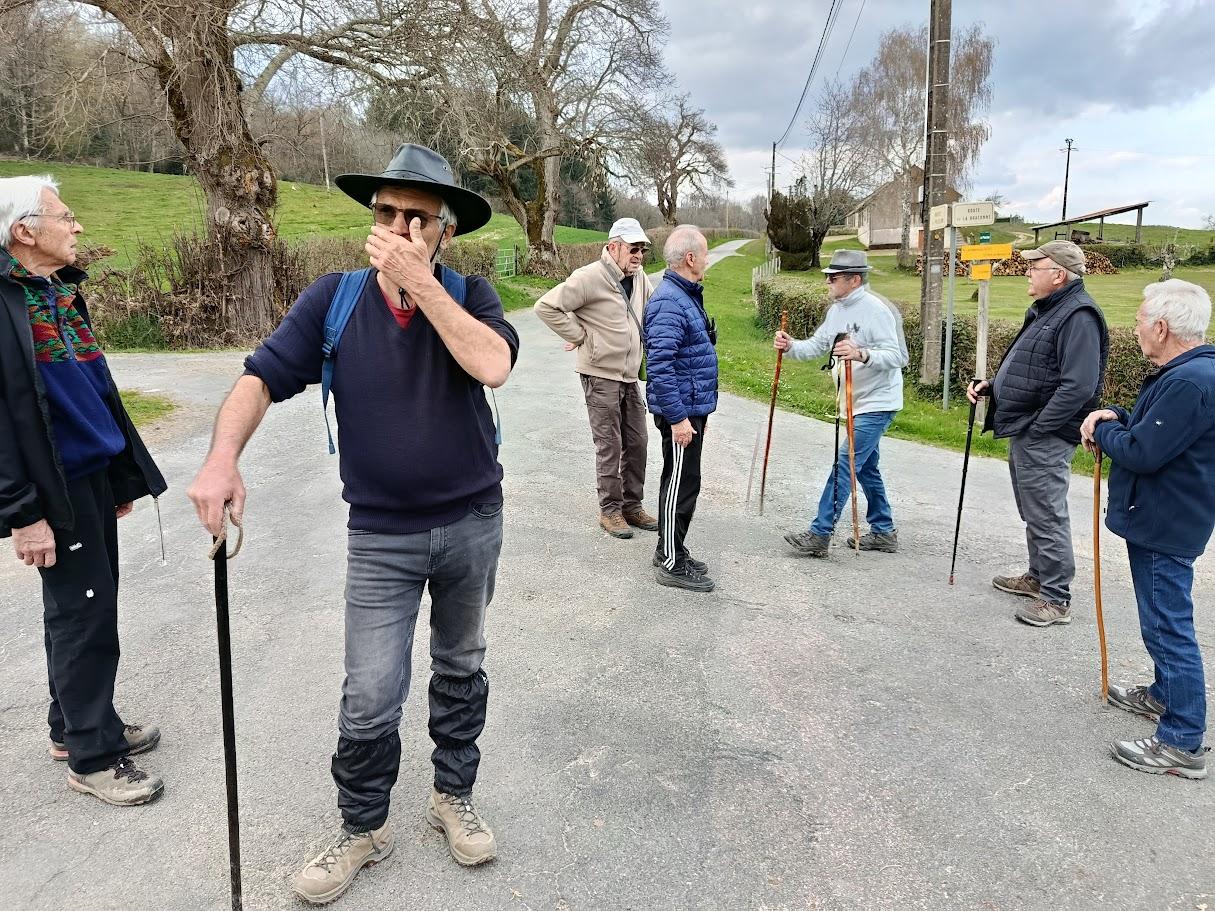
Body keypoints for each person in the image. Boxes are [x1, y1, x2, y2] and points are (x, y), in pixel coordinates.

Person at [187, 144, 519, 904]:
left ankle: (450, 796)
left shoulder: (472, 294)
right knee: (369, 691)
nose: (398, 227)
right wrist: (220, 458)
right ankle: (362, 825)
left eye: (417, 217)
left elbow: (491, 365)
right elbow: (260, 376)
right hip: (380, 535)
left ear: (444, 232)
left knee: (461, 663)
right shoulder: (332, 300)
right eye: (386, 213)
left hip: (472, 519)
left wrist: (423, 286)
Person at [0, 175, 167, 806]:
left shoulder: (56, 292)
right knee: (84, 615)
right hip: (54, 490)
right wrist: (23, 516)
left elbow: (94, 395)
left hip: (90, 478)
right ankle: (93, 756)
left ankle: (72, 726)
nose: (78, 227)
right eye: (65, 217)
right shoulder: (3, 305)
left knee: (84, 607)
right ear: (25, 232)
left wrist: (119, 475)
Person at [1080, 279, 1214, 780]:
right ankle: (1163, 695)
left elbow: (1144, 451)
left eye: (1139, 320)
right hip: (1169, 516)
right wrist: (1118, 415)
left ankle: (1182, 741)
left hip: (1167, 522)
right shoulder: (1193, 372)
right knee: (1161, 618)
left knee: (1167, 625)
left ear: (1161, 327)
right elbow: (1156, 428)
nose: (1135, 328)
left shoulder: (1189, 380)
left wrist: (1102, 429)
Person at [966, 240, 1108, 627]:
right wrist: (993, 385)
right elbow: (1036, 368)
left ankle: (1056, 596)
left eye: (1035, 266)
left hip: (1044, 431)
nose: (1028, 272)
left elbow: (1079, 385)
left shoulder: (1077, 315)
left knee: (1046, 512)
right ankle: (1038, 577)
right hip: (1031, 427)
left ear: (1058, 275)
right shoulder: (1050, 310)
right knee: (1034, 509)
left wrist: (1041, 426)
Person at [775, 250, 908, 558]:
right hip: (853, 401)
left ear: (854, 280)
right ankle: (884, 531)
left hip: (878, 402)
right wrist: (790, 345)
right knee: (866, 468)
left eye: (833, 278)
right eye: (827, 277)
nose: (827, 283)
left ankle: (820, 532)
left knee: (846, 462)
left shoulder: (876, 310)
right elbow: (816, 347)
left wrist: (863, 354)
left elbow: (898, 357)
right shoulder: (837, 310)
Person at [535, 218, 658, 538]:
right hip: (600, 374)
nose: (639, 255)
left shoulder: (641, 277)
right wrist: (579, 335)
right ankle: (610, 510)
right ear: (613, 246)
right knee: (610, 445)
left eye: (642, 249)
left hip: (630, 375)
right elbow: (546, 307)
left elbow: (653, 310)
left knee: (638, 442)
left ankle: (632, 506)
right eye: (633, 248)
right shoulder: (589, 277)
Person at [643, 225, 718, 592]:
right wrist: (677, 419)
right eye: (704, 253)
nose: (707, 259)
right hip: (682, 413)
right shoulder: (670, 301)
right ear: (690, 258)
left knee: (684, 480)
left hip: (690, 408)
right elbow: (659, 367)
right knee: (679, 483)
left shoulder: (683, 296)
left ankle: (670, 549)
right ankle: (670, 562)